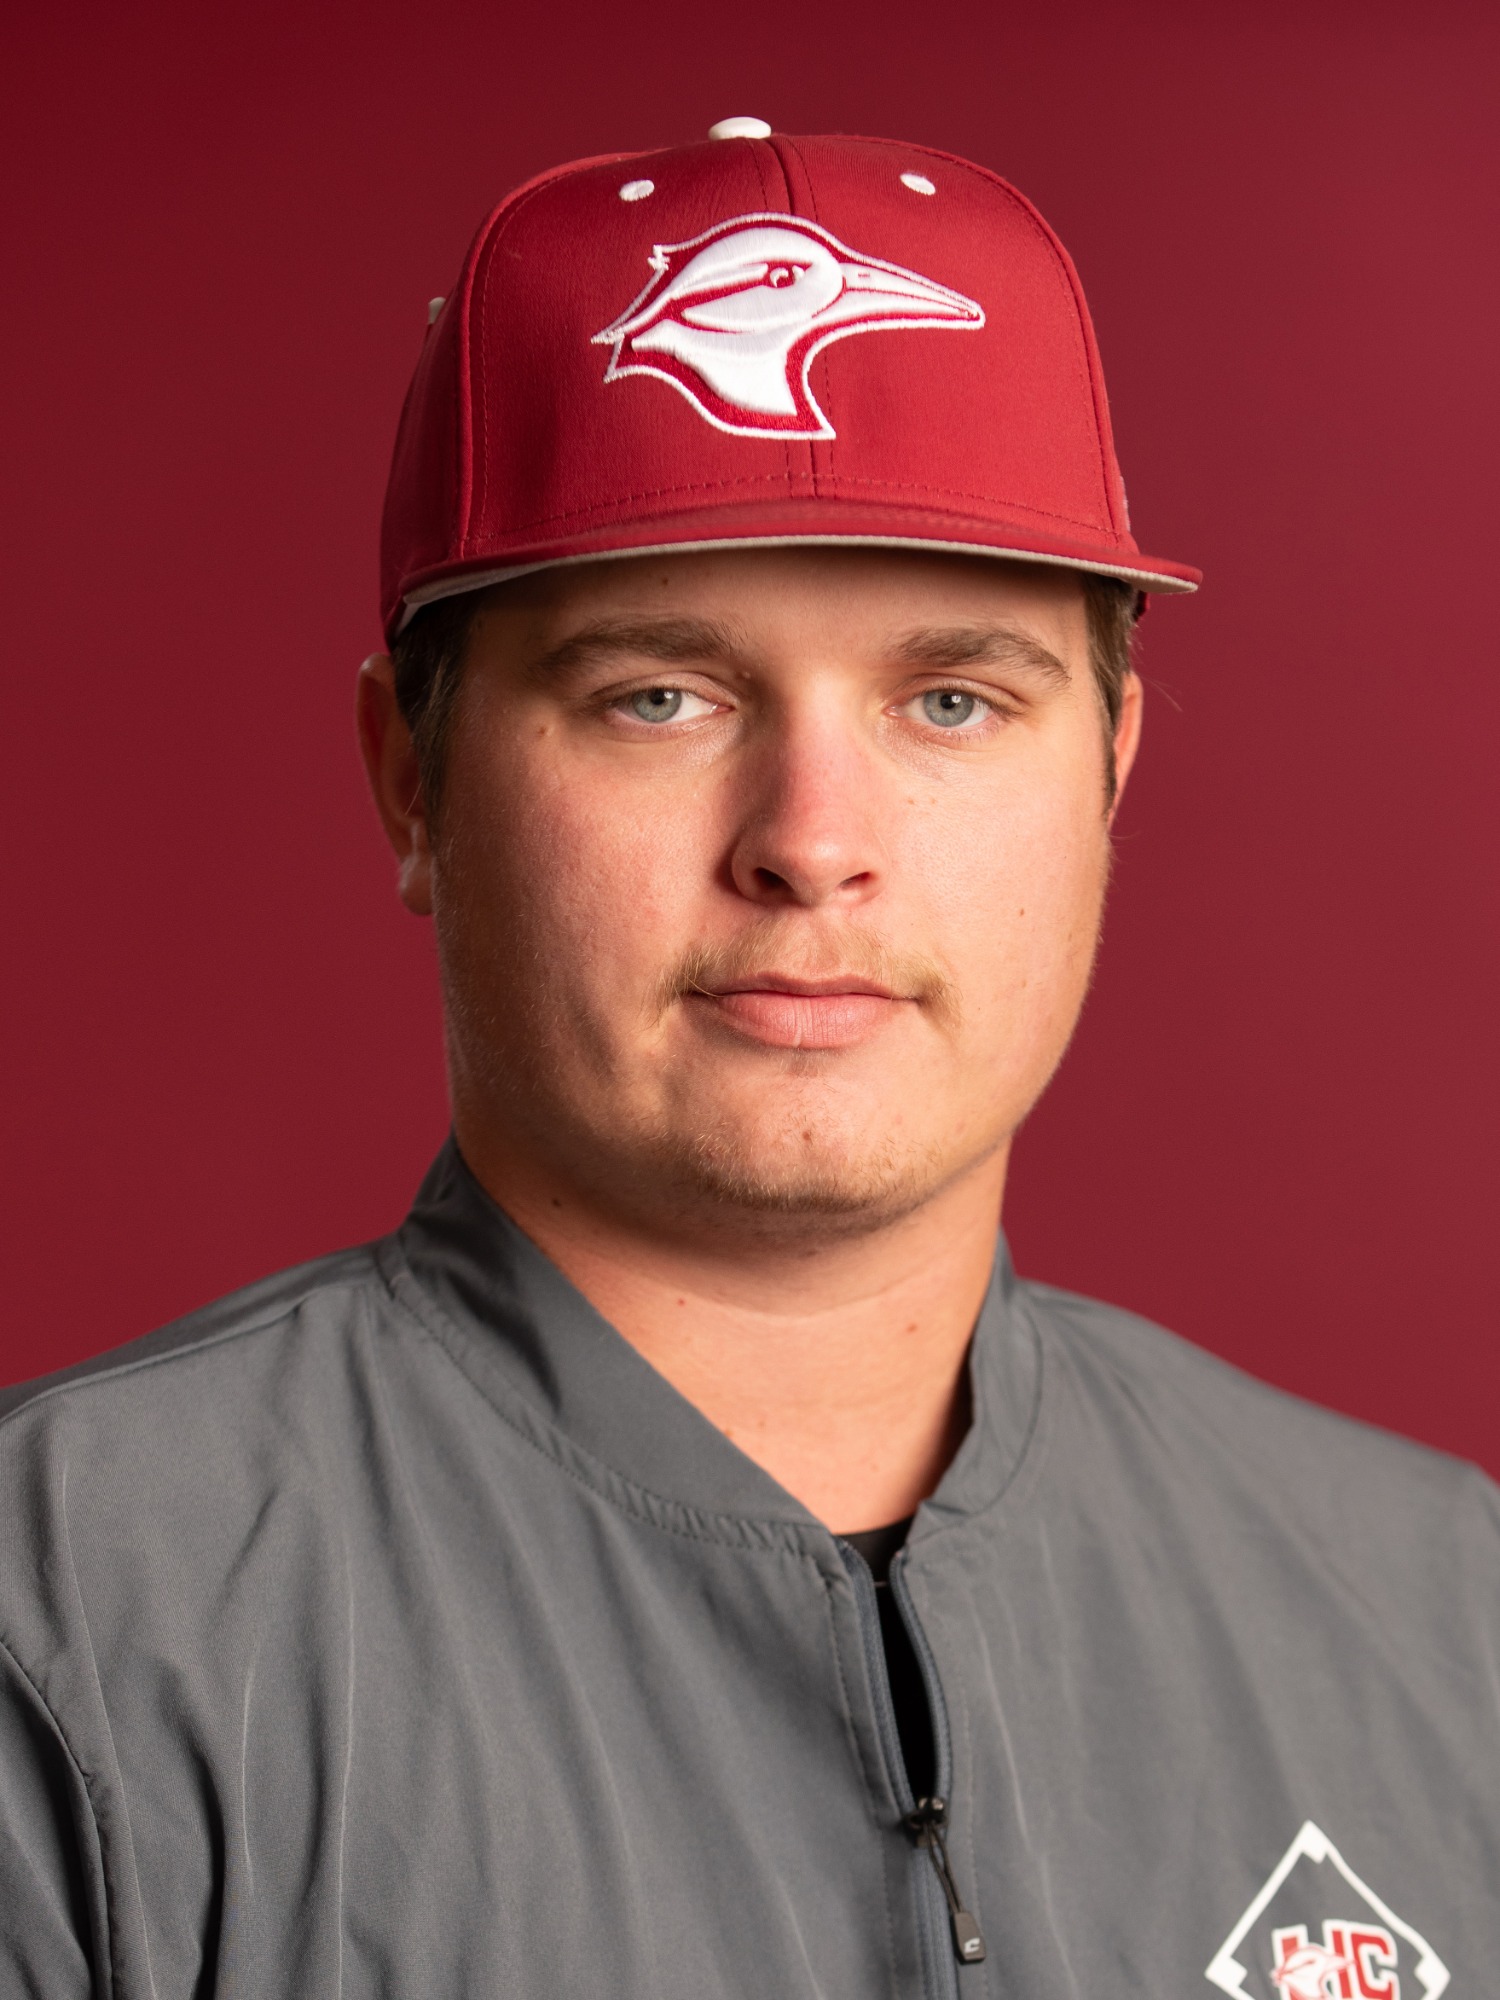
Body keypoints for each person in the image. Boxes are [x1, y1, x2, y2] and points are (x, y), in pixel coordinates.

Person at [1, 121, 1494, 2000]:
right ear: (412, 783)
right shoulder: (62, 1628)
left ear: (1110, 773)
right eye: (660, 694)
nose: (812, 839)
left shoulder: (1446, 1619)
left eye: (952, 698)